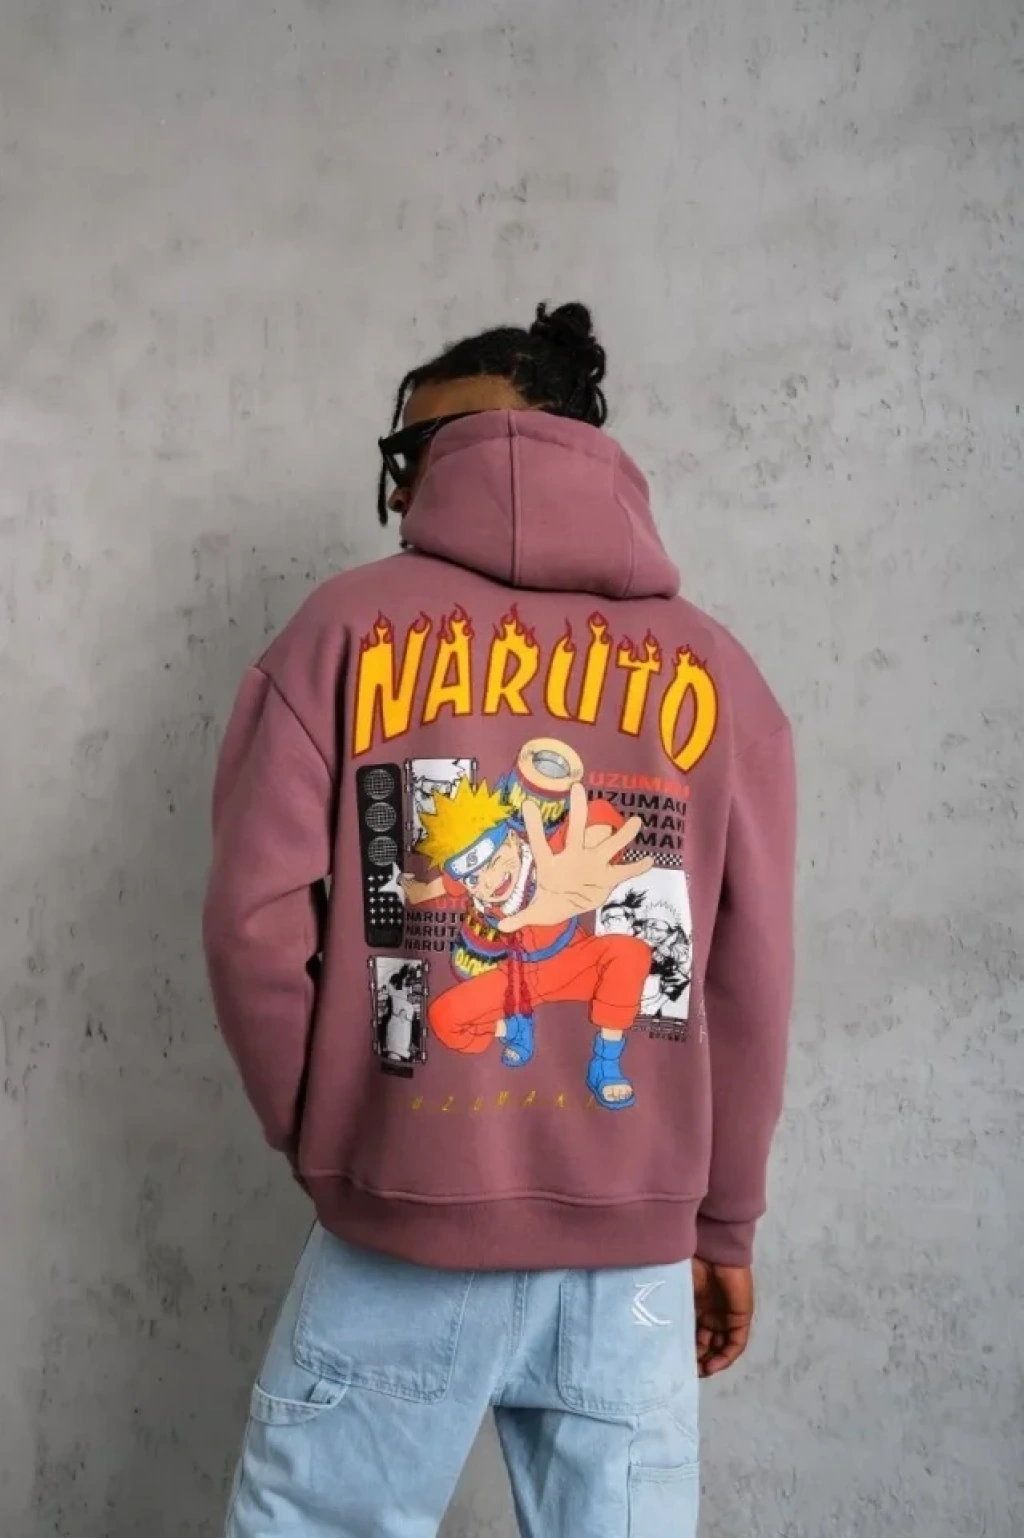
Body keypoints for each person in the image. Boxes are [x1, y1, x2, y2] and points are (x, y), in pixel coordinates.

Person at [204, 302, 797, 1538]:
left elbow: (254, 921)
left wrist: (336, 1132)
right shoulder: (720, 672)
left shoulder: (340, 631)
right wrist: (721, 1218)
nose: (413, 484)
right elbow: (747, 972)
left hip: (405, 1217)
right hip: (631, 1247)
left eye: (425, 450)